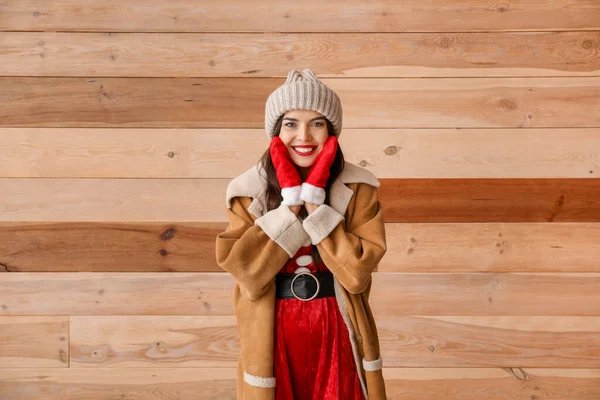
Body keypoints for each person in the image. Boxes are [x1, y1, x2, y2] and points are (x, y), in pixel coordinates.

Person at [216, 69, 388, 400]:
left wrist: (318, 211)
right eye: (291, 124)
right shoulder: (246, 191)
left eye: (317, 123)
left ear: (332, 130)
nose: (304, 136)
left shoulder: (358, 187)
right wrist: (289, 212)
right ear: (276, 131)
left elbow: (357, 276)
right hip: (272, 329)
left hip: (338, 326)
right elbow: (247, 274)